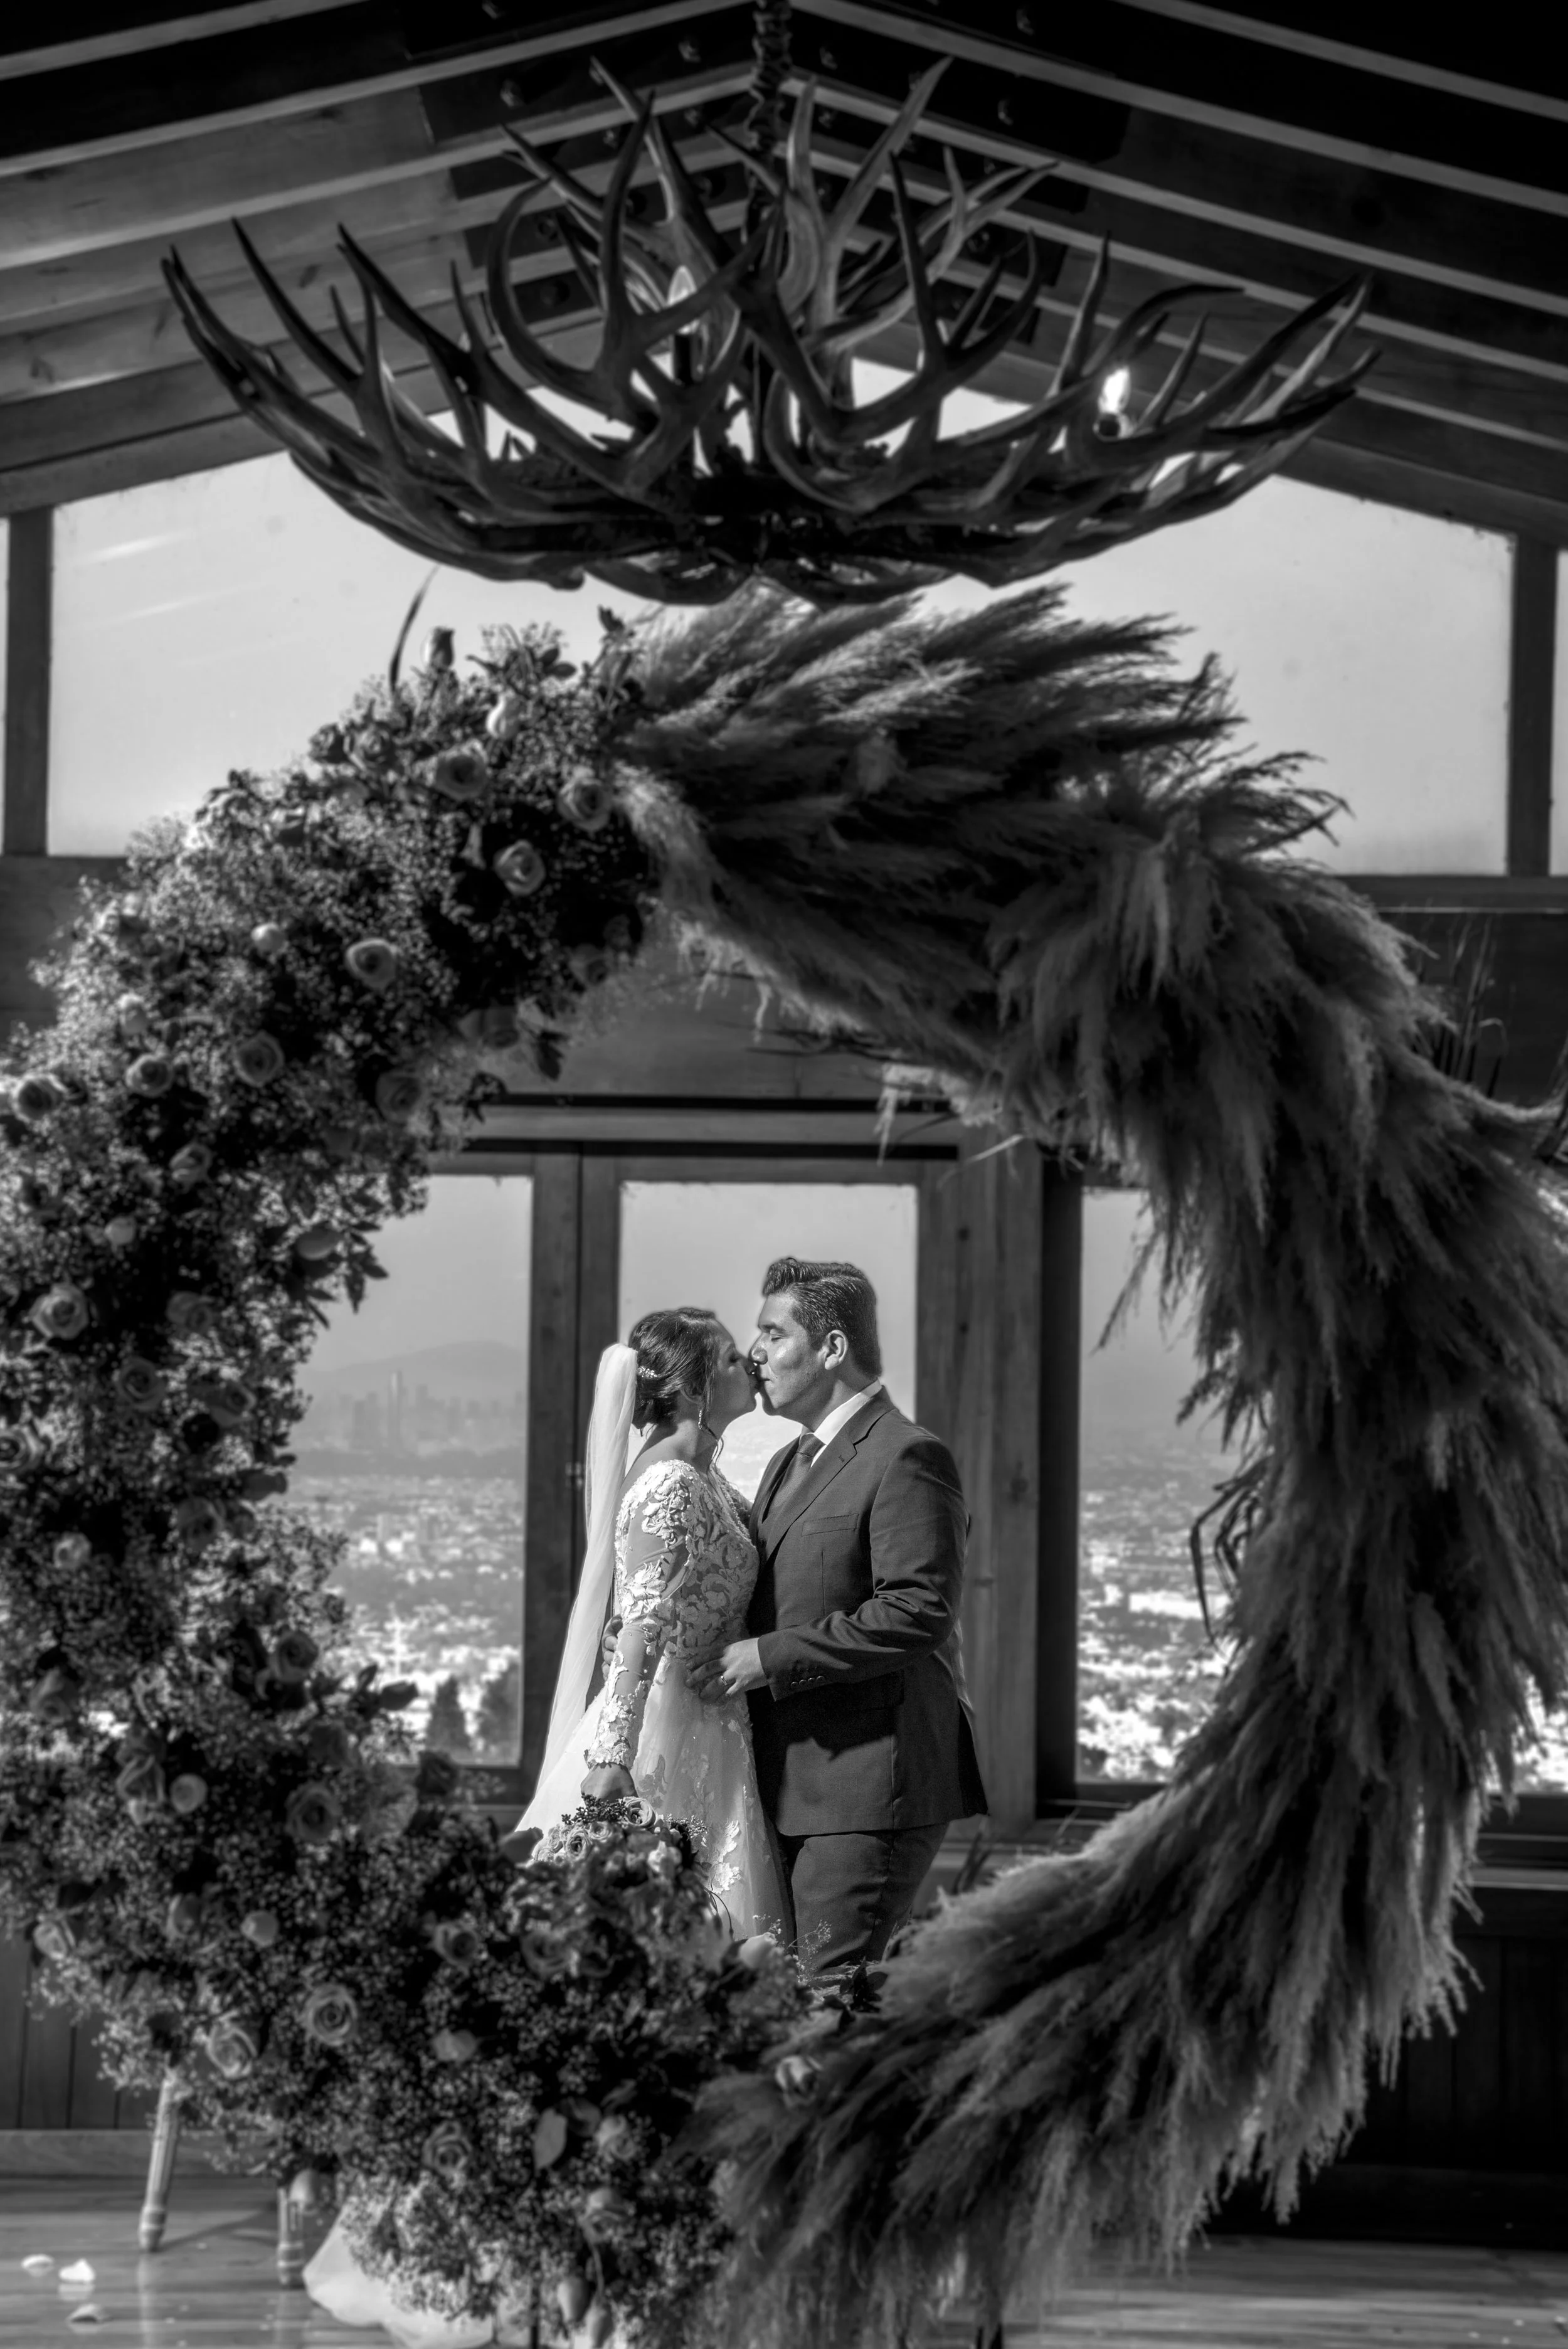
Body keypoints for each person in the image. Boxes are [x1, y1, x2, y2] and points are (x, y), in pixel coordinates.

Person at [304, 1310, 783, 2348]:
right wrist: (611, 1764)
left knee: (686, 1993)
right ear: (694, 1386)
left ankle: (671, 2257)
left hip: (711, 1738)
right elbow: (641, 1628)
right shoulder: (667, 1483)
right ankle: (590, 2265)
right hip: (660, 1752)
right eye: (728, 1358)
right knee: (636, 1987)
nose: (748, 1364)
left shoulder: (704, 1474)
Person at [691, 1257, 987, 1977]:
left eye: (771, 1331)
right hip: (791, 1785)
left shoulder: (908, 1455)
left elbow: (918, 1611)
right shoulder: (787, 1462)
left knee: (828, 2003)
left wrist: (768, 1656)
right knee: (783, 2005)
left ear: (831, 1348)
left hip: (866, 1788)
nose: (753, 1352)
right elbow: (765, 1595)